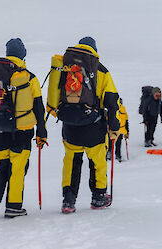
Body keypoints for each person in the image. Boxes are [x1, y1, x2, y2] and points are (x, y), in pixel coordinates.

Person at [0, 38, 47, 218]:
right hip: (22, 131)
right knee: (17, 168)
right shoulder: (30, 77)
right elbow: (38, 108)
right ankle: (14, 206)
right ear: (23, 55)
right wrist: (42, 133)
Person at [59, 37, 120, 214]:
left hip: (70, 125)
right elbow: (112, 101)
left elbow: (56, 93)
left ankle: (68, 200)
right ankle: (99, 196)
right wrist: (114, 127)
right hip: (94, 126)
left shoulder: (66, 66)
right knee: (98, 162)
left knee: (71, 161)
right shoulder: (101, 71)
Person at [107, 98, 129, 162]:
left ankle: (110, 154)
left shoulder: (113, 109)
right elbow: (126, 122)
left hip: (114, 130)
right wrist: (127, 132)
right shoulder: (123, 110)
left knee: (111, 142)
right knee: (118, 143)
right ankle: (117, 155)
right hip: (120, 130)